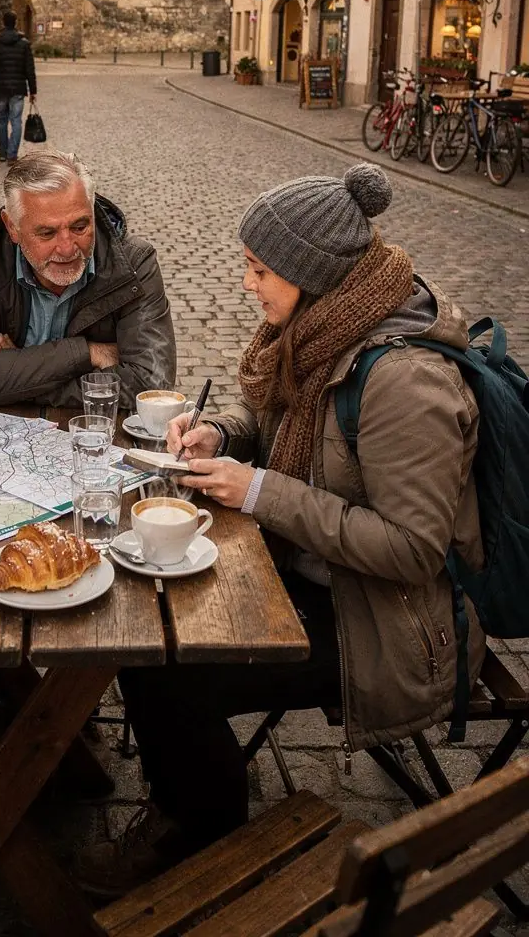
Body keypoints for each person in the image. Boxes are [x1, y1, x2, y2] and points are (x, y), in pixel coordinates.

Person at [77, 163, 486, 898]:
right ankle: (189, 799)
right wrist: (223, 435)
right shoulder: (326, 328)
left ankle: (202, 837)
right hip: (311, 577)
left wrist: (261, 489)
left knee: (173, 672)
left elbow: (413, 551)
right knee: (145, 629)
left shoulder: (404, 379)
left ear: (311, 272)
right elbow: (278, 422)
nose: (247, 285)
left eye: (259, 269)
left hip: (385, 626)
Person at [0, 150, 176, 408]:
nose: (67, 248)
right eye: (47, 233)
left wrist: (18, 379)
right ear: (12, 227)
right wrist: (87, 352)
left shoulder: (134, 264)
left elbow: (151, 385)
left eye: (79, 227)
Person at [0, 10, 37, 163]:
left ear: (3, 22)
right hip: (18, 88)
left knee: (2, 120)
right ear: (16, 23)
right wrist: (33, 90)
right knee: (16, 121)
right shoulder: (24, 44)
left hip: (0, 88)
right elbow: (29, 69)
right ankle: (12, 154)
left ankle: (2, 153)